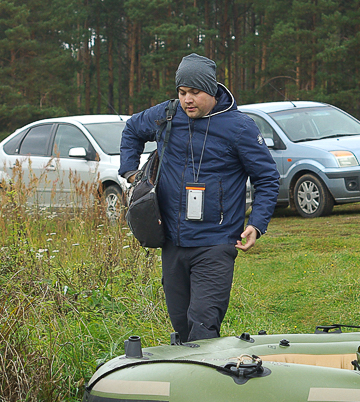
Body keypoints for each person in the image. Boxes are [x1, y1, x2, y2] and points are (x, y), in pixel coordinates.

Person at [119, 53, 280, 341]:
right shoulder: (167, 115)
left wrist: (256, 224)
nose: (187, 100)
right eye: (182, 92)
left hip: (216, 244)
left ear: (212, 90)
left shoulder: (239, 127)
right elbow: (132, 129)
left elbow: (266, 178)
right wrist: (131, 172)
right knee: (181, 329)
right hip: (172, 243)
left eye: (195, 92)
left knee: (203, 329)